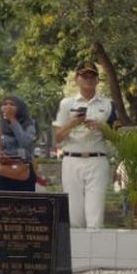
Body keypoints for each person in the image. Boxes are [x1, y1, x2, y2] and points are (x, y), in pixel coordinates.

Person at [53, 64, 116, 229]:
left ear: (97, 80)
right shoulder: (66, 103)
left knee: (95, 215)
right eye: (84, 76)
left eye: (92, 76)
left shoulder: (109, 104)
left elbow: (117, 136)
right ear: (76, 79)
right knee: (74, 215)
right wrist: (72, 123)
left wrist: (101, 126)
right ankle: (75, 253)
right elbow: (58, 137)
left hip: (97, 159)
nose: (88, 80)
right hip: (72, 159)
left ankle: (95, 251)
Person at [0, 95, 37, 192]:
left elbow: (25, 142)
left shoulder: (29, 125)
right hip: (2, 173)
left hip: (22, 172)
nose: (7, 107)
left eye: (12, 104)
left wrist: (12, 120)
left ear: (20, 108)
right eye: (5, 104)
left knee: (25, 205)